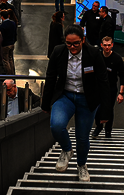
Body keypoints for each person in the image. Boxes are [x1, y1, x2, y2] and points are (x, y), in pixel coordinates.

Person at [42, 25, 110, 182]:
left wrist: (106, 111)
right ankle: (66, 150)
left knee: (82, 137)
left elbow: (103, 82)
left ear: (83, 40)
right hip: (65, 96)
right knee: (57, 125)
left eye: (76, 43)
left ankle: (81, 165)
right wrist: (45, 103)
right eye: (68, 44)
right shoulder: (58, 52)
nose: (72, 47)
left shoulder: (93, 54)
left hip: (87, 100)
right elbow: (50, 77)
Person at [92, 36, 124, 138]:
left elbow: (122, 75)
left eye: (109, 45)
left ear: (112, 45)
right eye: (105, 45)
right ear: (101, 45)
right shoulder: (97, 56)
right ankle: (99, 126)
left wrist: (121, 93)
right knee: (97, 108)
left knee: (109, 109)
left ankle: (108, 130)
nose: (107, 47)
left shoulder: (117, 58)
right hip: (98, 87)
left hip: (111, 87)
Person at [0, 10, 17, 76]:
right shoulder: (13, 23)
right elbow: (15, 33)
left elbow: (1, 37)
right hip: (12, 43)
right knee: (10, 59)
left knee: (5, 60)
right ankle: (12, 73)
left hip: (5, 45)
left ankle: (9, 74)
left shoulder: (2, 26)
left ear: (2, 17)